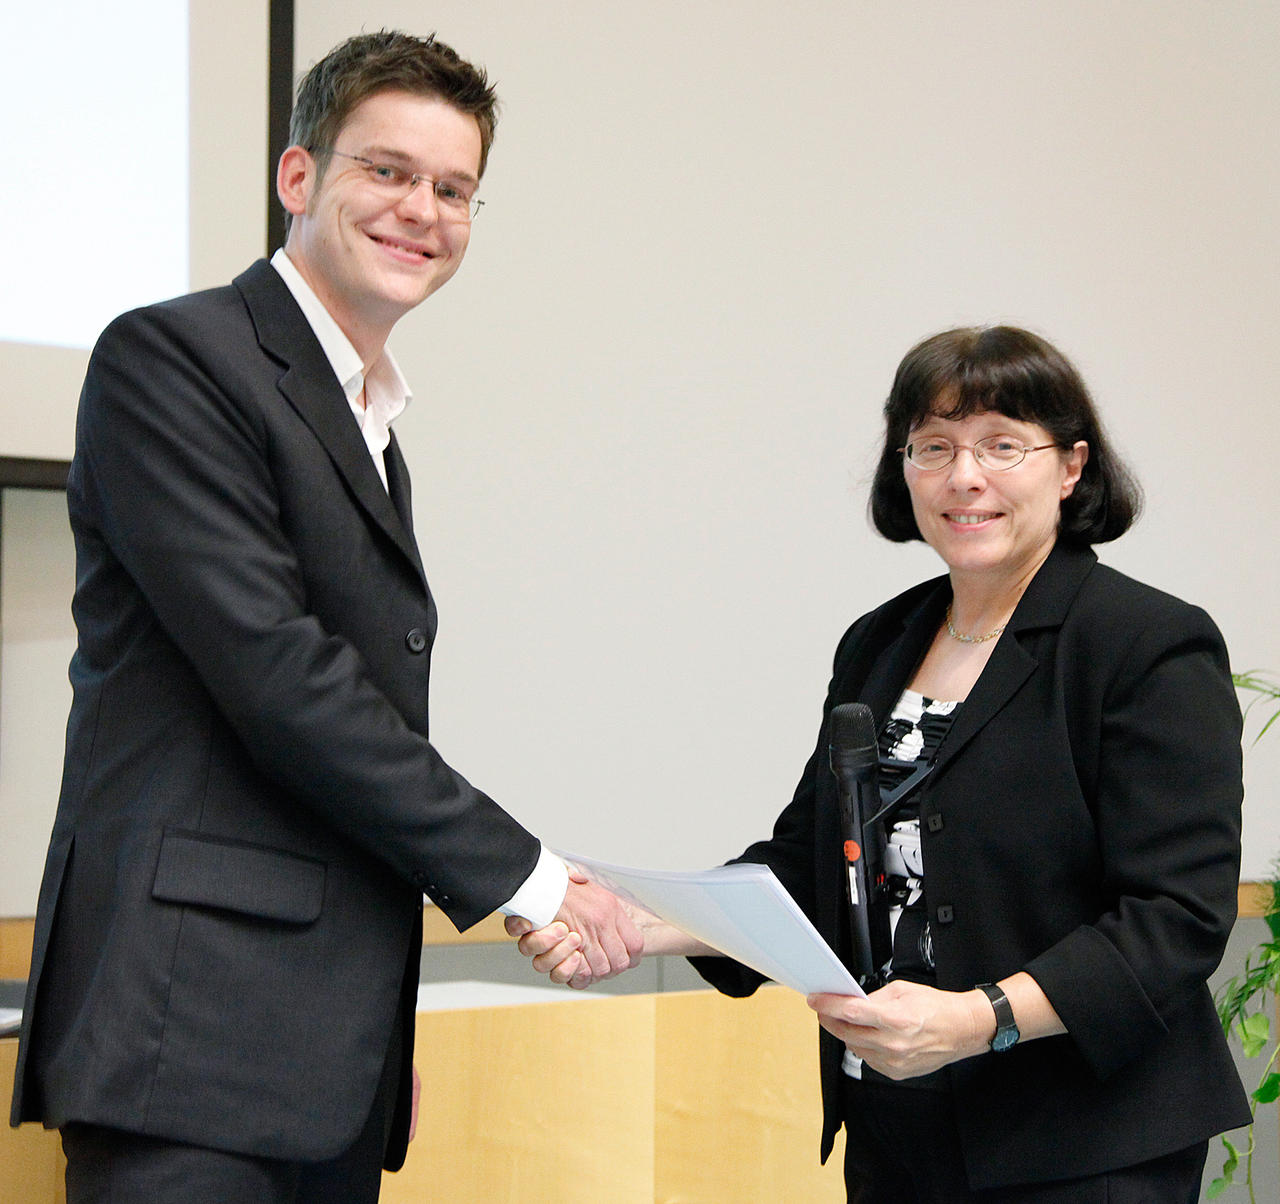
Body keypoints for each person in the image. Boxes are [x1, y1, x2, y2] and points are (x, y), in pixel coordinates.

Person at [9, 30, 639, 1204]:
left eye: (452, 188)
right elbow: (281, 675)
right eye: (386, 170)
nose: (422, 210)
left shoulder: (370, 424)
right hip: (185, 1042)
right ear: (297, 176)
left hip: (312, 1055)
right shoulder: (176, 357)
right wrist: (533, 881)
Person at [512, 325, 1251, 1201]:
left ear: (1071, 467)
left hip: (1083, 1142)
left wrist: (979, 1020)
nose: (964, 476)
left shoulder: (1145, 643)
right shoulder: (882, 640)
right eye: (933, 446)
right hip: (897, 1125)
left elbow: (1176, 917)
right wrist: (642, 924)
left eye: (1002, 445)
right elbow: (811, 864)